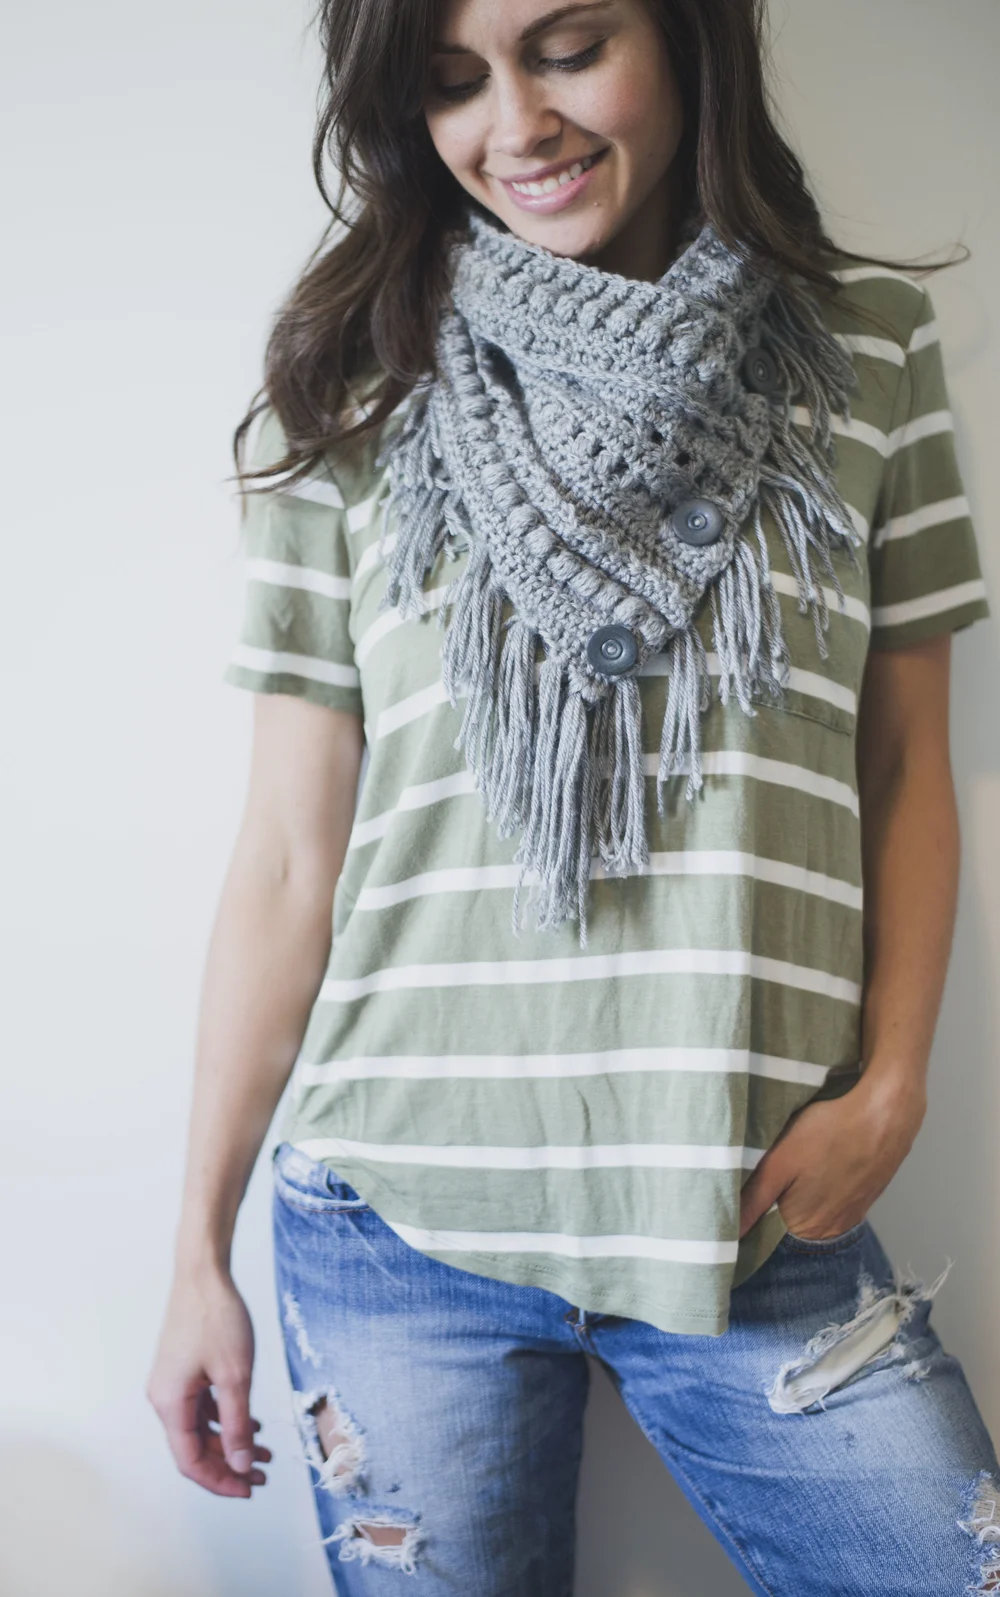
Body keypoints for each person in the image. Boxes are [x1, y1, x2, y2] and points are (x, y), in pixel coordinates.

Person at [148, 0, 1000, 1591]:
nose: (514, 125)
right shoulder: (351, 388)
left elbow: (904, 768)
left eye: (567, 47)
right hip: (401, 1223)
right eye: (452, 82)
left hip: (754, 1198)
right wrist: (195, 1252)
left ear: (686, 37)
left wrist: (894, 1086)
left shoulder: (864, 352)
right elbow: (284, 857)